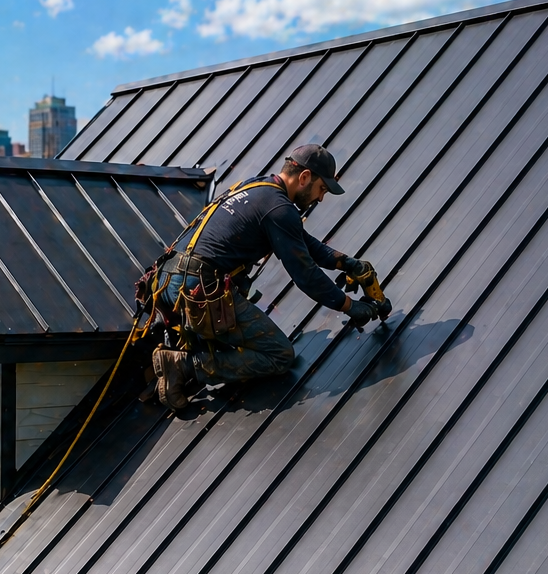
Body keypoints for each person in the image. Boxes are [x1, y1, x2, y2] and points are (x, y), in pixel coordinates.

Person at [150, 144, 386, 408]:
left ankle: (188, 354)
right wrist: (350, 306)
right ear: (305, 177)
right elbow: (305, 275)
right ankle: (184, 365)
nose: (320, 199)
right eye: (322, 188)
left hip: (169, 281)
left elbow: (301, 240)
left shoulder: (258, 188)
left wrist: (346, 263)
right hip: (199, 290)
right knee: (279, 355)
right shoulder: (279, 209)